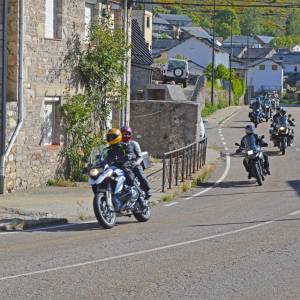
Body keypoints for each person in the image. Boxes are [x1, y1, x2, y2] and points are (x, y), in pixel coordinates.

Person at [105, 128, 144, 211]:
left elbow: (130, 154)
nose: (111, 139)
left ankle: (140, 198)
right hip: (114, 167)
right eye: (109, 137)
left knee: (129, 175)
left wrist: (128, 158)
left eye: (112, 137)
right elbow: (105, 158)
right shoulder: (109, 149)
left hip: (124, 166)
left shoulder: (124, 145)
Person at [120, 126, 152, 200]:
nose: (126, 136)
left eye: (127, 134)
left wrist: (137, 163)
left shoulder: (134, 143)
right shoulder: (118, 145)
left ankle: (147, 190)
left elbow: (140, 156)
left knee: (140, 174)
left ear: (130, 134)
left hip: (133, 164)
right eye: (124, 134)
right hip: (123, 166)